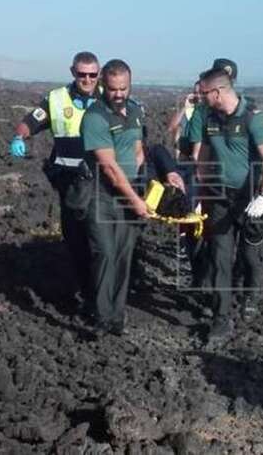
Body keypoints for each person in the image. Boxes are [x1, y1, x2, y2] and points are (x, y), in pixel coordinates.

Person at [8, 51, 100, 314]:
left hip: (100, 182)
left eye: (92, 75)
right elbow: (30, 121)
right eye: (82, 74)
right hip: (69, 184)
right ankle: (86, 293)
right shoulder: (56, 99)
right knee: (75, 241)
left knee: (99, 243)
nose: (87, 79)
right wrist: (19, 136)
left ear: (99, 74)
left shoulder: (108, 98)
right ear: (73, 72)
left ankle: (101, 297)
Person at [196, 68, 263, 341]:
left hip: (250, 199)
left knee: (249, 256)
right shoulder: (209, 118)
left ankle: (250, 294)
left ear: (217, 92)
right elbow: (204, 158)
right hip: (218, 198)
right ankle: (222, 319)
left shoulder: (255, 119)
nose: (201, 98)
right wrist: (199, 194)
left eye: (204, 93)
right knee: (220, 259)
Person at [81, 59, 149, 336]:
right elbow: (108, 167)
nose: (119, 94)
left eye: (124, 88)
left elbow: (138, 149)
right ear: (102, 87)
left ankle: (117, 317)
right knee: (104, 255)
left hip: (130, 191)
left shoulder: (134, 111)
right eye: (113, 89)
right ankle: (101, 315)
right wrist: (135, 200)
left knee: (123, 256)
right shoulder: (95, 117)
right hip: (102, 195)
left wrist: (144, 185)